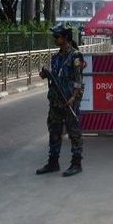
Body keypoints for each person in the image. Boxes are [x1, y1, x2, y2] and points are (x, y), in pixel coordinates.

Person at [36, 23, 85, 177]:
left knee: (74, 132)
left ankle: (76, 163)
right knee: (54, 131)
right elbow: (55, 75)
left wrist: (74, 97)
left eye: (57, 37)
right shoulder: (56, 57)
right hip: (56, 100)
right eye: (54, 37)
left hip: (69, 100)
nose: (55, 39)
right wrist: (45, 74)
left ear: (65, 38)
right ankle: (53, 162)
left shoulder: (75, 56)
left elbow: (78, 79)